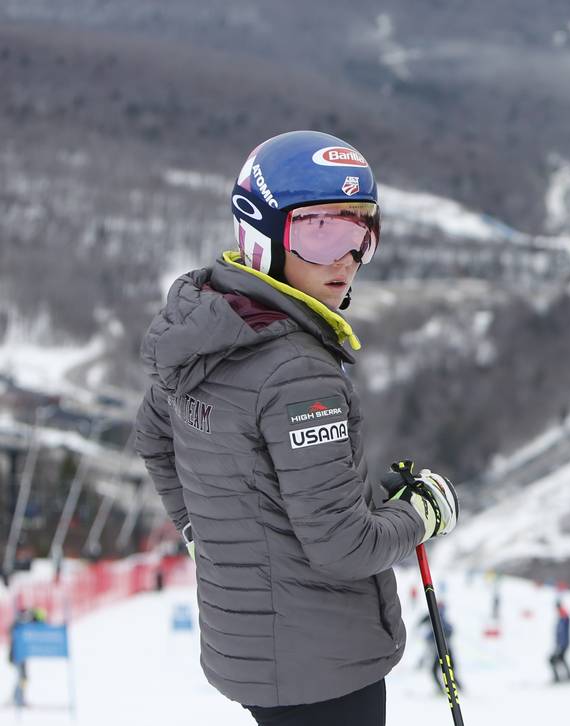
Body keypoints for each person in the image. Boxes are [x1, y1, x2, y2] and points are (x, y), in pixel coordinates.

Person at [133, 130, 460, 726]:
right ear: (261, 236)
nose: (346, 257)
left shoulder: (211, 331)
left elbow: (155, 434)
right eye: (320, 231)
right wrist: (422, 514)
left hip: (256, 653)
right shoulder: (298, 374)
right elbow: (344, 545)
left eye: (362, 233)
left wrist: (201, 533)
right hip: (324, 667)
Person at [549, 600, 570, 683]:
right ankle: (568, 676)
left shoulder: (564, 616)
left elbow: (563, 632)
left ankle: (558, 678)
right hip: (562, 644)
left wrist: (561, 645)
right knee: (561, 659)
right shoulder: (561, 616)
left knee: (552, 659)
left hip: (563, 644)